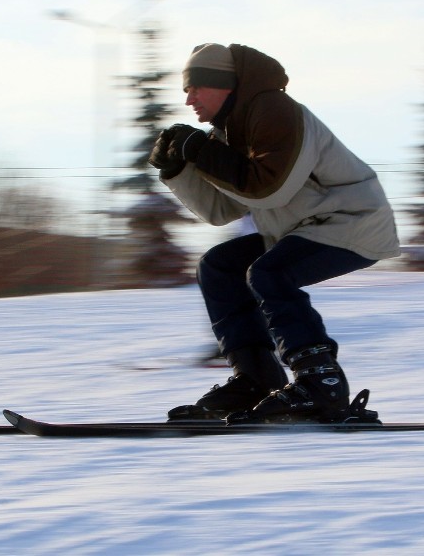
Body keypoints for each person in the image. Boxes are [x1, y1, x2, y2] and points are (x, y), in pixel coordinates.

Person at [148, 43, 400, 422]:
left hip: (352, 222)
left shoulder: (276, 111)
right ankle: (257, 379)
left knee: (269, 273)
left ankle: (321, 383)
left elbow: (268, 188)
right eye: (187, 91)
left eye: (195, 88)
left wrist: (201, 150)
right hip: (302, 229)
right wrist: (177, 171)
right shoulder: (229, 132)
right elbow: (221, 209)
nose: (189, 100)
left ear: (225, 84)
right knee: (219, 266)